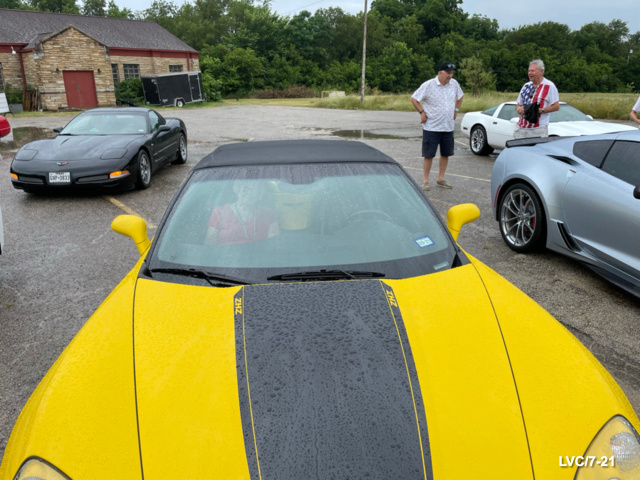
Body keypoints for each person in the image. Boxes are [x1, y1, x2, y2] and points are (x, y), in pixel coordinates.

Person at [411, 61, 464, 192]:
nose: (450, 76)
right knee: (429, 154)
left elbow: (461, 96)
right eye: (448, 73)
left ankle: (441, 178)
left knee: (445, 154)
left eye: (451, 73)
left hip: (448, 126)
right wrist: (422, 112)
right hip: (432, 127)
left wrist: (456, 110)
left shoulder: (454, 84)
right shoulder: (429, 85)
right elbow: (414, 98)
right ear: (440, 72)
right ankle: (425, 180)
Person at [204, 180, 279, 245]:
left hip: (259, 256)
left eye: (253, 189)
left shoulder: (269, 214)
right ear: (238, 190)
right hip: (225, 256)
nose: (249, 193)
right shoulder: (219, 212)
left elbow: (274, 246)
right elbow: (210, 245)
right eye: (245, 189)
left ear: (259, 194)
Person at [514, 59, 559, 139]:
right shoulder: (526, 86)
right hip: (521, 128)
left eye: (533, 71)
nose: (530, 73)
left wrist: (540, 110)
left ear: (541, 71)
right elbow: (518, 104)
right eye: (529, 71)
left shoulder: (549, 86)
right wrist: (518, 109)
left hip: (537, 129)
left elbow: (556, 106)